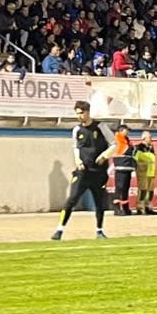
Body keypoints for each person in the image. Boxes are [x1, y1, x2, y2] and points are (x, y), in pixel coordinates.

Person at [52, 100, 112, 240]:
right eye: (77, 113)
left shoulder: (101, 127)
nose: (79, 116)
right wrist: (78, 160)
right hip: (83, 172)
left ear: (87, 112)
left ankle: (99, 230)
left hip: (99, 172)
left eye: (81, 113)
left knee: (99, 202)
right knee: (71, 199)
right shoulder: (77, 130)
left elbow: (114, 144)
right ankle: (59, 230)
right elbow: (76, 147)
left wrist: (104, 156)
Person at [109, 123, 136, 215]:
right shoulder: (118, 139)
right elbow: (123, 150)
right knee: (119, 188)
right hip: (121, 167)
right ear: (121, 131)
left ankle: (125, 207)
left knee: (126, 188)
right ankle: (117, 209)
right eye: (126, 130)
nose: (128, 132)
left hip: (127, 167)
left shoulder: (126, 140)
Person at [132, 130, 157, 215]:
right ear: (144, 138)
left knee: (150, 191)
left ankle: (148, 207)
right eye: (149, 137)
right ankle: (140, 207)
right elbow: (135, 158)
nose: (151, 139)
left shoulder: (151, 147)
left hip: (151, 171)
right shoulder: (139, 147)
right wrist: (140, 166)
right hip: (143, 172)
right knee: (143, 190)